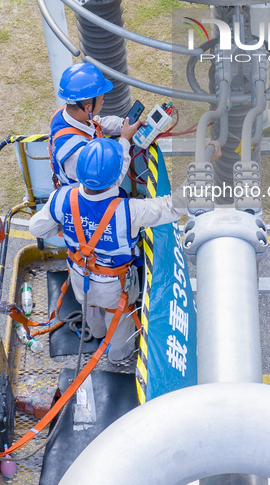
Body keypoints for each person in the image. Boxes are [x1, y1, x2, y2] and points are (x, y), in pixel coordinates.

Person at [29, 137, 187, 365]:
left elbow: (38, 227)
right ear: (117, 178)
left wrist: (70, 224)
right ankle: (118, 356)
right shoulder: (129, 212)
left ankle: (98, 333)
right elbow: (173, 206)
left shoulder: (62, 198)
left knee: (90, 306)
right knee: (120, 318)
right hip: (114, 284)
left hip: (79, 273)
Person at [50, 62, 143, 186]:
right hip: (87, 202)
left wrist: (123, 125)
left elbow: (96, 122)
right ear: (88, 108)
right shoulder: (76, 154)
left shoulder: (64, 114)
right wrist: (125, 140)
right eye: (101, 101)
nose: (103, 102)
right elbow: (111, 181)